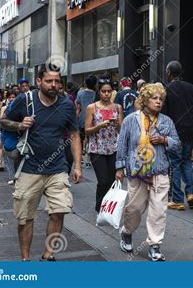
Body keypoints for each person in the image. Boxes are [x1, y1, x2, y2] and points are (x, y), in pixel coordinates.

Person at [0, 65, 82, 261]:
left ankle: (48, 256)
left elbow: (74, 135)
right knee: (25, 217)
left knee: (59, 211)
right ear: (39, 82)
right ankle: (26, 259)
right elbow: (4, 121)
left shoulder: (66, 105)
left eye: (57, 81)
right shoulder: (24, 100)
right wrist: (20, 124)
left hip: (58, 168)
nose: (53, 85)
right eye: (48, 81)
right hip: (29, 168)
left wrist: (77, 165)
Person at [116, 83, 180, 261]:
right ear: (145, 100)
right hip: (137, 171)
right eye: (154, 98)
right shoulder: (130, 120)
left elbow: (177, 144)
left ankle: (155, 245)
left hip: (160, 170)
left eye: (161, 99)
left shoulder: (167, 121)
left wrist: (165, 140)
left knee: (158, 210)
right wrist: (119, 168)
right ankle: (127, 232)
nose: (158, 102)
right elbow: (122, 144)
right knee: (135, 208)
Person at [162, 61, 193, 211]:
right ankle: (191, 193)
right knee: (186, 161)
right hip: (191, 130)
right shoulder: (191, 88)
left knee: (175, 164)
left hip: (175, 131)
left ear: (169, 72)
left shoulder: (166, 89)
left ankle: (178, 200)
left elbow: (164, 115)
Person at [85, 78, 123, 212]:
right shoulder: (92, 107)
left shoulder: (117, 107)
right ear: (99, 92)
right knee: (102, 180)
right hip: (96, 148)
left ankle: (108, 208)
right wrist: (99, 126)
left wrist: (118, 125)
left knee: (112, 180)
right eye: (103, 91)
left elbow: (121, 131)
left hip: (113, 148)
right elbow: (86, 130)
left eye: (109, 91)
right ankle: (99, 208)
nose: (106, 94)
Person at [76, 75, 97, 169]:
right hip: (93, 120)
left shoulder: (80, 93)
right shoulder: (97, 94)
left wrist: (75, 119)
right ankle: (88, 160)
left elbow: (78, 108)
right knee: (90, 139)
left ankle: (80, 158)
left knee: (80, 139)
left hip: (82, 119)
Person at [0, 90, 18, 185]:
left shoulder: (20, 108)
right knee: (7, 157)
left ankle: (17, 176)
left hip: (17, 135)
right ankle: (12, 177)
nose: (11, 99)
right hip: (6, 134)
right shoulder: (4, 108)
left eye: (13, 97)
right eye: (10, 97)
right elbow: (1, 122)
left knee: (16, 157)